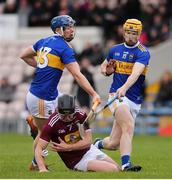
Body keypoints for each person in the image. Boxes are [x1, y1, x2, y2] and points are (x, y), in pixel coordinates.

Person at [19, 15, 101, 170]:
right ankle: (36, 164)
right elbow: (77, 75)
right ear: (58, 30)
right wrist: (94, 94)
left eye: (72, 27)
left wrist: (41, 66)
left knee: (65, 112)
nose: (71, 30)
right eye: (67, 27)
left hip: (47, 93)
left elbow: (23, 55)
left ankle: (34, 124)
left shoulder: (43, 41)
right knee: (45, 134)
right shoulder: (64, 47)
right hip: (42, 98)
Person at [94, 19, 150, 171]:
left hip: (133, 98)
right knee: (129, 125)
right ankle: (126, 164)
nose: (131, 36)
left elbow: (136, 73)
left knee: (113, 143)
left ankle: (96, 145)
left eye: (134, 33)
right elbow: (103, 67)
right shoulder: (114, 49)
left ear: (139, 34)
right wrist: (107, 72)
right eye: (128, 32)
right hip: (116, 96)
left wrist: (124, 87)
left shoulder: (143, 53)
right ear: (123, 32)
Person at [35, 94, 120, 172]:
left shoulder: (80, 115)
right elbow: (39, 148)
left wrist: (68, 147)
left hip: (90, 150)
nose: (67, 118)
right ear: (57, 111)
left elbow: (88, 142)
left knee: (119, 169)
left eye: (70, 115)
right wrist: (42, 169)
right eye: (63, 116)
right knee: (113, 169)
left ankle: (97, 146)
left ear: (74, 111)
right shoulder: (51, 124)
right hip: (77, 161)